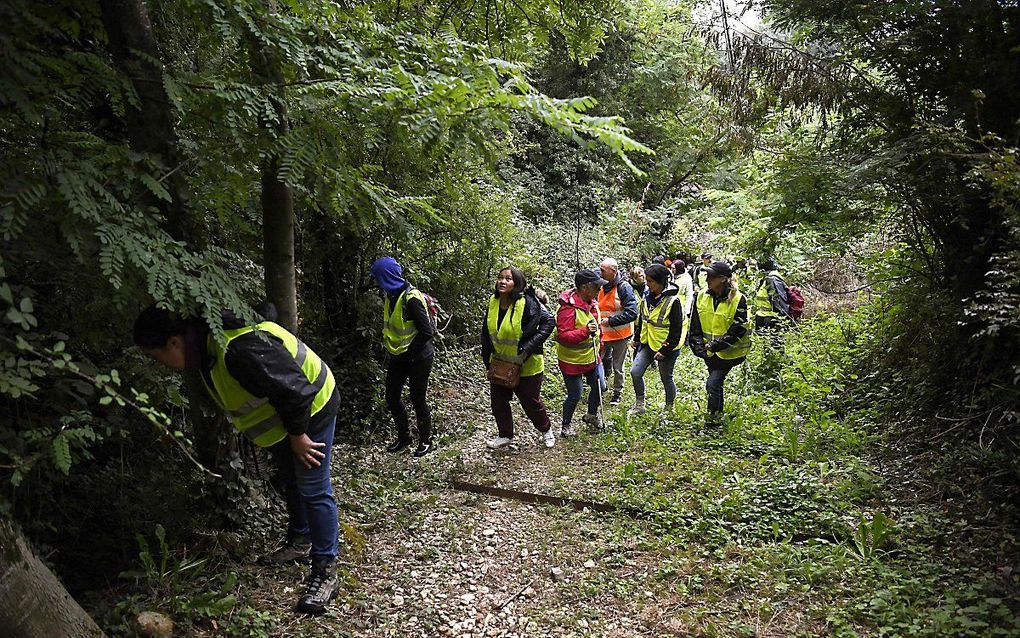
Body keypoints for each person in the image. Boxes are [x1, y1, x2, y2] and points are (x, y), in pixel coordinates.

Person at [133, 306, 341, 614]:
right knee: (290, 478)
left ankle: (325, 571)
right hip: (288, 417)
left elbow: (296, 391)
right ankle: (301, 540)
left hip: (312, 408)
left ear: (174, 342)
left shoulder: (236, 349)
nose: (160, 364)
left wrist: (298, 437)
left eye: (156, 356)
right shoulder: (206, 346)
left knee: (313, 487)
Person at [481, 266, 556, 449]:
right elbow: (486, 331)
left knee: (530, 402)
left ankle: (546, 430)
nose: (502, 281)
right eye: (500, 278)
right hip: (501, 362)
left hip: (527, 364)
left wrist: (528, 346)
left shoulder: (528, 302)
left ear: (517, 283)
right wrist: (486, 358)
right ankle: (505, 435)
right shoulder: (493, 302)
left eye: (508, 279)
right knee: (498, 401)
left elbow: (549, 322)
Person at [370, 256, 434, 457]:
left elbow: (426, 332)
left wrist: (410, 354)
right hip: (399, 356)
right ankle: (404, 437)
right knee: (392, 397)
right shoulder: (390, 295)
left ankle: (426, 440)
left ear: (385, 276)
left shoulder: (411, 298)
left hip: (419, 356)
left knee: (417, 398)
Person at [688, 261, 751, 423]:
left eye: (712, 276)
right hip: (710, 352)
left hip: (730, 353)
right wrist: (698, 347)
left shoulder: (738, 299)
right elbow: (695, 326)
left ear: (723, 279)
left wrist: (716, 345)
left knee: (713, 383)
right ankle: (717, 415)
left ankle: (712, 419)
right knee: (716, 384)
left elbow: (739, 329)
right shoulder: (702, 296)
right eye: (707, 275)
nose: (707, 279)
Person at [629, 264, 686, 414]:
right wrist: (636, 338)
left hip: (666, 347)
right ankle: (640, 404)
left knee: (666, 377)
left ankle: (669, 407)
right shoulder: (647, 296)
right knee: (635, 372)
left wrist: (665, 349)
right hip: (647, 342)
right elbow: (643, 318)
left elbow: (676, 329)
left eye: (650, 281)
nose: (647, 284)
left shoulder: (673, 301)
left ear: (661, 282)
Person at [556, 269, 606, 435]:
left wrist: (601, 341)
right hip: (572, 361)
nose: (599, 289)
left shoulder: (592, 303)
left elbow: (598, 327)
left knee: (600, 387)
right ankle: (566, 425)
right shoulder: (567, 308)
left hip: (592, 357)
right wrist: (585, 331)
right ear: (584, 287)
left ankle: (591, 415)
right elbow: (563, 336)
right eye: (596, 286)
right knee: (575, 394)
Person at [596, 257, 638, 406]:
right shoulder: (601, 286)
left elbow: (632, 313)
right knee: (600, 362)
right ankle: (601, 387)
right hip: (603, 335)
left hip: (620, 335)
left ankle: (617, 393)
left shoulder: (624, 287)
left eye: (602, 270)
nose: (599, 272)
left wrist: (611, 321)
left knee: (617, 366)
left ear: (613, 272)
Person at [753, 257, 791, 331]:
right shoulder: (766, 279)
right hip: (763, 319)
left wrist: (779, 324)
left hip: (770, 321)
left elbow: (779, 304)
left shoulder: (772, 280)